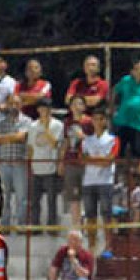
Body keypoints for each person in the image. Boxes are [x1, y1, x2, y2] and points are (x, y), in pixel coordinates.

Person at [80, 108, 120, 255]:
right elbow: (82, 159)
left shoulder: (112, 139)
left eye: (100, 119)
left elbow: (109, 161)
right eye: (95, 119)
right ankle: (92, 245)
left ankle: (108, 245)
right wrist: (99, 160)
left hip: (105, 180)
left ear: (105, 121)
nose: (97, 122)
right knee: (90, 215)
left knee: (106, 214)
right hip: (89, 181)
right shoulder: (86, 140)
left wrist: (93, 160)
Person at [0, 96, 32, 227]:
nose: (14, 106)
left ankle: (21, 224)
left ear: (21, 105)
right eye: (11, 103)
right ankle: (5, 225)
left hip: (20, 163)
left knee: (22, 197)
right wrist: (14, 136)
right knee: (4, 196)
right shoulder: (0, 122)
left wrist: (6, 137)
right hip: (4, 163)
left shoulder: (27, 121)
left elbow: (22, 137)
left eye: (16, 103)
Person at [27, 98, 63, 230]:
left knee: (51, 200)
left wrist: (46, 128)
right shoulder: (32, 126)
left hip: (50, 167)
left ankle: (52, 226)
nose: (44, 112)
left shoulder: (57, 125)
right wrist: (29, 164)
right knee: (35, 201)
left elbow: (55, 144)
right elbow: (30, 146)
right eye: (41, 109)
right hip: (36, 167)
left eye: (47, 109)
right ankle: (36, 226)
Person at [59, 95, 94, 227]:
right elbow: (66, 142)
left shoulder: (89, 122)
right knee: (73, 196)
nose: (76, 107)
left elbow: (96, 142)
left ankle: (87, 220)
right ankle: (76, 225)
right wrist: (61, 161)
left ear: (84, 107)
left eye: (79, 104)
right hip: (71, 161)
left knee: (87, 193)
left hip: (85, 162)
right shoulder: (67, 122)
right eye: (73, 104)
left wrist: (83, 137)